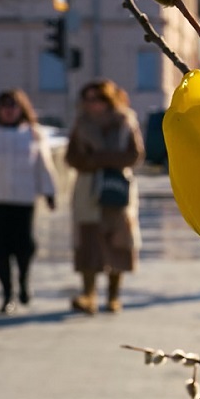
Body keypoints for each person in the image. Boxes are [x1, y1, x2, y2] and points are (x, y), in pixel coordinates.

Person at [0, 89, 57, 314]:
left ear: (21, 109)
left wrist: (50, 193)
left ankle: (23, 281)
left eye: (13, 105)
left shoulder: (32, 133)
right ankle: (7, 293)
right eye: (4, 105)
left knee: (24, 247)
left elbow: (44, 165)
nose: (8, 110)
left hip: (22, 199)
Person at [65, 79, 144, 314]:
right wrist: (102, 159)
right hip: (88, 190)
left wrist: (98, 158)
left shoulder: (125, 121)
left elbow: (134, 155)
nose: (93, 104)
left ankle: (113, 296)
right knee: (88, 242)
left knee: (119, 240)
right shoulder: (81, 124)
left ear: (107, 99)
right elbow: (72, 158)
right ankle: (89, 295)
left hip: (117, 187)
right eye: (88, 99)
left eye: (98, 98)